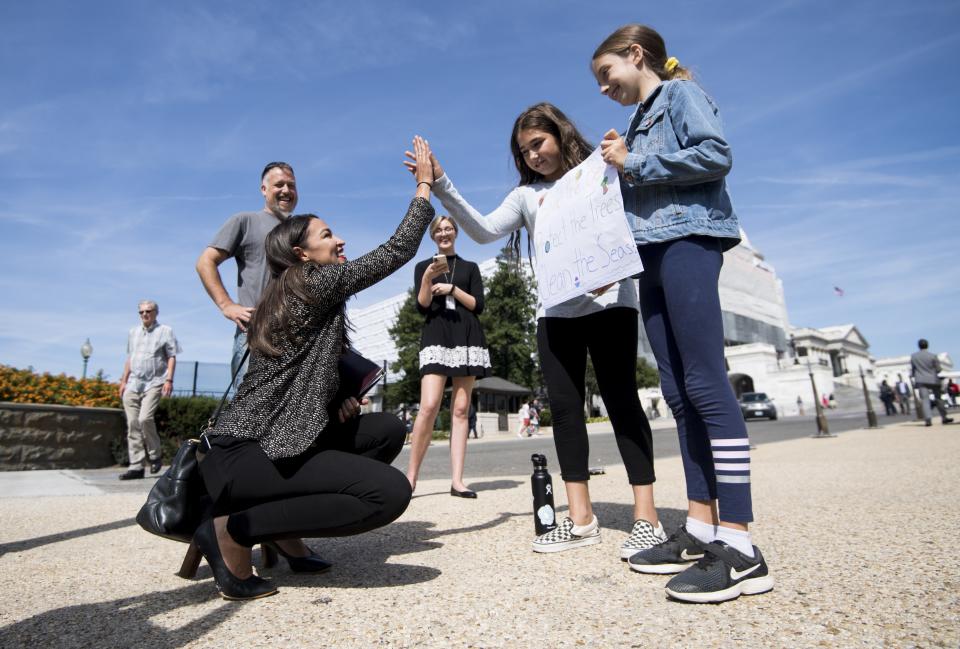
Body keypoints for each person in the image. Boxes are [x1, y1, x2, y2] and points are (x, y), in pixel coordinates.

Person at [406, 103, 662, 559]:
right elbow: (483, 231)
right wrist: (441, 183)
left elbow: (632, 222)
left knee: (622, 402)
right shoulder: (526, 198)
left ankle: (648, 519)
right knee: (564, 412)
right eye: (523, 152)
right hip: (556, 313)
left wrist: (619, 264)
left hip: (610, 304)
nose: (532, 157)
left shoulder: (600, 170)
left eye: (538, 144)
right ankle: (581, 517)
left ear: (560, 135)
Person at [192, 137, 435, 601]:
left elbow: (303, 376)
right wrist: (424, 185)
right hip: (247, 452)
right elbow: (396, 251)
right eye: (327, 235)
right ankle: (232, 528)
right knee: (388, 494)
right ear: (301, 254)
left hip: (279, 440)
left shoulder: (297, 290)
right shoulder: (310, 283)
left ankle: (282, 528)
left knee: (383, 430)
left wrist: (334, 402)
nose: (339, 239)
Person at [592, 24, 773, 602]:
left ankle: (740, 544)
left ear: (636, 55)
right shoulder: (640, 120)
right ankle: (700, 525)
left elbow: (716, 154)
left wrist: (634, 160)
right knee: (677, 391)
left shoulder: (680, 95)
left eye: (606, 74)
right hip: (650, 252)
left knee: (706, 383)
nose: (603, 88)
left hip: (689, 241)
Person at [402, 215, 491, 499]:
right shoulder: (422, 267)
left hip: (467, 336)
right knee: (428, 405)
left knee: (461, 410)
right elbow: (423, 305)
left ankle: (457, 481)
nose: (444, 233)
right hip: (437, 335)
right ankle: (411, 477)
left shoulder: (470, 267)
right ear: (433, 236)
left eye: (448, 228)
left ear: (455, 233)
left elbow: (478, 305)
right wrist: (428, 278)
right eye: (438, 230)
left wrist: (453, 289)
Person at [196, 162, 299, 388]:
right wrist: (226, 305)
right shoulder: (245, 221)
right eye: (279, 184)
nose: (286, 191)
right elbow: (206, 262)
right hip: (255, 333)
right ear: (264, 189)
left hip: (295, 335)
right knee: (247, 408)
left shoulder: (301, 230)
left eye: (291, 185)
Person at [117, 300, 181, 480]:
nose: (145, 314)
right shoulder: (133, 333)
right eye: (141, 312)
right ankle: (136, 466)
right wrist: (123, 381)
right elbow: (130, 358)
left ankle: (155, 455)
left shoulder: (165, 331)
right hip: (133, 383)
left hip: (155, 381)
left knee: (145, 418)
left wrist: (169, 379)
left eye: (148, 311)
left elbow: (171, 357)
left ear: (155, 313)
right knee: (132, 424)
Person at [910, 338, 953, 427]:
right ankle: (944, 417)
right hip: (933, 379)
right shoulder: (932, 356)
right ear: (927, 345)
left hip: (921, 380)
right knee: (938, 399)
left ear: (919, 346)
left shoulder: (914, 356)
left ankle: (928, 419)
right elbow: (938, 369)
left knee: (925, 400)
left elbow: (913, 369)